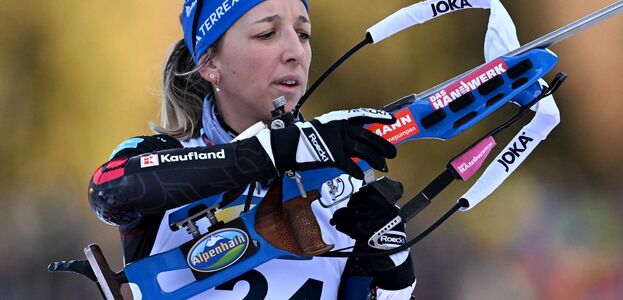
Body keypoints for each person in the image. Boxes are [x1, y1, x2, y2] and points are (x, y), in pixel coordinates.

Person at [87, 0, 416, 298]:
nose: (295, 52)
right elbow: (108, 189)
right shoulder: (164, 154)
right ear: (209, 63)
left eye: (302, 34)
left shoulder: (339, 193)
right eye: (267, 34)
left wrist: (395, 278)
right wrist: (281, 150)